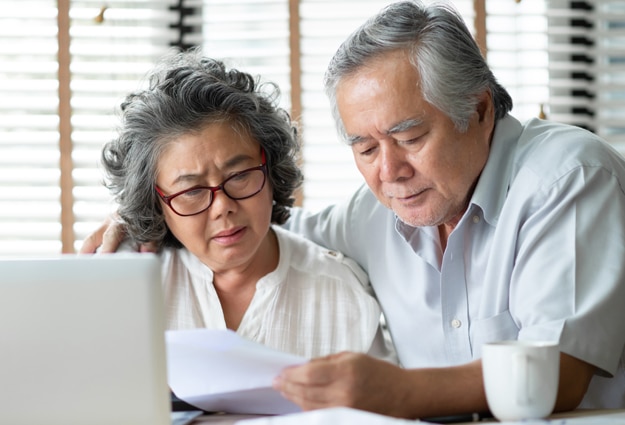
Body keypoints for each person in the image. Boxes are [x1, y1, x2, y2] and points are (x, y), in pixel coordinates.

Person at [82, 1, 625, 419]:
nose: (389, 172)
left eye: (409, 137)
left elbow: (562, 373)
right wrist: (144, 218)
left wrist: (398, 393)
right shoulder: (375, 213)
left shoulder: (566, 175)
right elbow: (260, 227)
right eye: (364, 148)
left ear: (478, 109)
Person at [97, 48, 395, 361]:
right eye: (192, 191)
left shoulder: (341, 294)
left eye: (239, 175)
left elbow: (374, 405)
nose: (221, 206)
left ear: (270, 169)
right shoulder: (128, 284)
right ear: (157, 202)